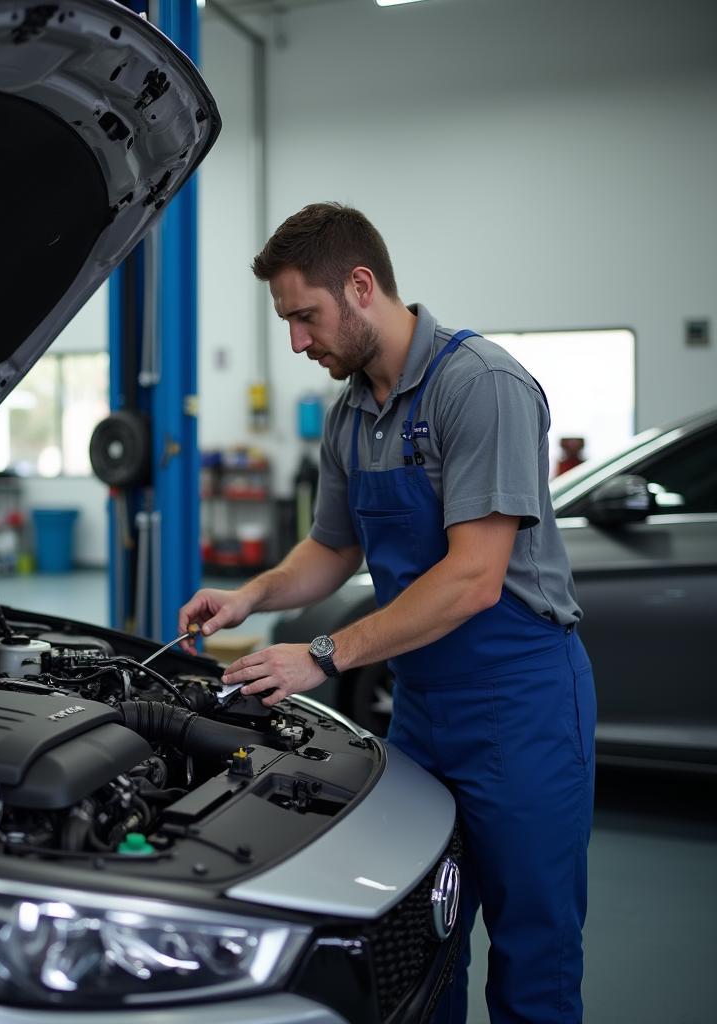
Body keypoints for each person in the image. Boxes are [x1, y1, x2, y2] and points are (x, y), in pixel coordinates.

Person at [178, 203, 596, 1023]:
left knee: (533, 947)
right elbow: (332, 549)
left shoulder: (482, 387)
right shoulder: (352, 414)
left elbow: (474, 578)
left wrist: (323, 654)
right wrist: (251, 596)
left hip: (522, 705)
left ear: (361, 287)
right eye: (288, 322)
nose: (298, 342)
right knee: (423, 937)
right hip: (423, 709)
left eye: (306, 315)